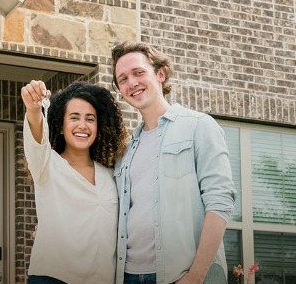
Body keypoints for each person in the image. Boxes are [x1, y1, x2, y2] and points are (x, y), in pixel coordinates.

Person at [111, 41, 237, 284]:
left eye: (139, 73)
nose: (132, 83)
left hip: (183, 276)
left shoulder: (199, 126)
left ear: (160, 74)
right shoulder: (124, 150)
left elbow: (220, 201)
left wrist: (196, 275)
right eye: (123, 79)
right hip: (128, 276)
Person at [21, 80, 128, 284]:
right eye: (74, 118)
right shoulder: (47, 165)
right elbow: (36, 137)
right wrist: (34, 109)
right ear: (61, 126)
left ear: (99, 127)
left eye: (90, 119)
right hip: (52, 277)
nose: (82, 125)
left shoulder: (111, 176)